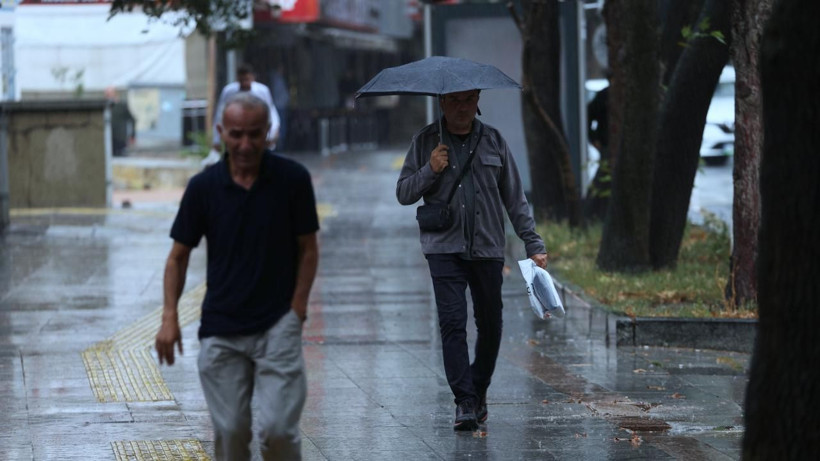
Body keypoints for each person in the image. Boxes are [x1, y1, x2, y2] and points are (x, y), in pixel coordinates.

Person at [156, 92, 319, 460]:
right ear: (220, 134)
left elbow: (308, 248)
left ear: (268, 134)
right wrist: (169, 317)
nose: (245, 144)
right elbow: (177, 257)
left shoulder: (292, 180)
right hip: (222, 329)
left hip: (278, 324)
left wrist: (298, 310)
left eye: (254, 134)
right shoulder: (204, 187)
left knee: (279, 432)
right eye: (236, 134)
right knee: (230, 433)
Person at [396, 89, 548, 431]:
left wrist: (532, 243)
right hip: (443, 248)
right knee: (452, 324)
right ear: (442, 103)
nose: (461, 108)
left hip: (488, 247)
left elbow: (515, 199)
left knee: (491, 324)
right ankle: (464, 402)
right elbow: (404, 192)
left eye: (467, 100)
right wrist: (430, 170)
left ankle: (478, 389)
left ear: (477, 100)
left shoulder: (494, 141)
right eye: (454, 101)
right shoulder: (425, 141)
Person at [212, 63, 281, 152]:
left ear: (252, 78)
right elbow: (220, 114)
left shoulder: (262, 91)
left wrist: (272, 133)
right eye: (242, 80)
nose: (244, 83)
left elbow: (270, 112)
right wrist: (216, 139)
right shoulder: (229, 91)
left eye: (247, 80)